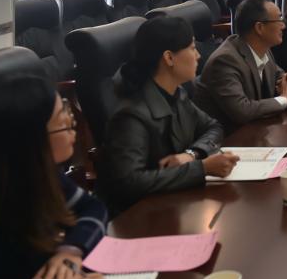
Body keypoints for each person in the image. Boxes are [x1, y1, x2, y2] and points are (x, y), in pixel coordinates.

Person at [0, 74, 108, 279]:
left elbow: (92, 207)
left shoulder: (41, 176)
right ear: (33, 140)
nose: (72, 125)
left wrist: (71, 251)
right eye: (62, 121)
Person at [100, 17, 238, 215]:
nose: (198, 55)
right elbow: (130, 182)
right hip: (136, 218)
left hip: (173, 204)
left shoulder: (176, 92)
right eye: (192, 48)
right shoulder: (131, 115)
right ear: (169, 58)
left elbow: (213, 127)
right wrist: (202, 168)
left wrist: (191, 155)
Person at [194, 0, 287, 133]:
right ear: (259, 28)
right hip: (228, 139)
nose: (283, 26)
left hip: (257, 131)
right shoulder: (225, 60)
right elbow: (242, 111)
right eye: (279, 20)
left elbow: (279, 76)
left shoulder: (263, 48)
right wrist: (285, 98)